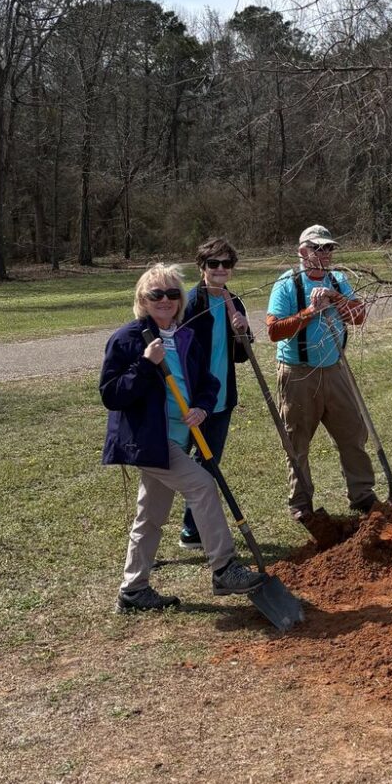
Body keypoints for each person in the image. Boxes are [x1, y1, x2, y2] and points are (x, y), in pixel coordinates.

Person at [100, 262, 265, 612]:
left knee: (150, 517)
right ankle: (223, 567)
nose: (165, 300)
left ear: (180, 299)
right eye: (156, 294)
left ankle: (133, 590)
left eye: (172, 294)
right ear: (142, 299)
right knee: (202, 484)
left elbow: (207, 383)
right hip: (149, 441)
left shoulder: (185, 337)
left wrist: (203, 407)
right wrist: (146, 364)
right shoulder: (128, 339)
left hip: (176, 439)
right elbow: (111, 394)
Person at [266, 224, 377, 529]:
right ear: (302, 251)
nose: (324, 254)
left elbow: (358, 317)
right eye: (318, 248)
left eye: (328, 248)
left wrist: (336, 299)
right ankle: (301, 504)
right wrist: (311, 311)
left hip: (335, 369)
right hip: (298, 374)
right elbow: (275, 331)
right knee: (297, 441)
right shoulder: (288, 284)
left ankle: (362, 494)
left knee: (353, 434)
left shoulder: (338, 280)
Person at [177, 237, 251, 549]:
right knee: (181, 465)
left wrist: (243, 331)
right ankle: (174, 529)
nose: (220, 269)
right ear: (202, 267)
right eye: (213, 264)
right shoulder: (190, 305)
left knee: (208, 464)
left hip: (221, 401)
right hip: (190, 401)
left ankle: (192, 530)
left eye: (226, 264)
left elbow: (241, 355)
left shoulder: (234, 302)